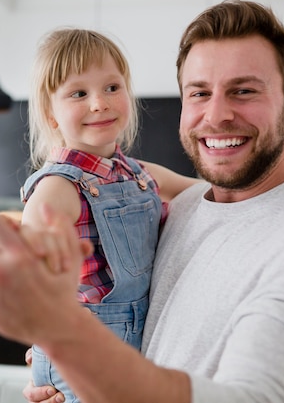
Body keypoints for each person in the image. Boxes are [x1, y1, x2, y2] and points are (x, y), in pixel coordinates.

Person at [0, 0, 284, 403]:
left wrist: (65, 338)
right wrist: (74, 369)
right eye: (199, 93)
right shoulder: (189, 204)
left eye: (243, 91)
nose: (217, 115)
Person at [19, 27, 198, 403]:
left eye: (112, 87)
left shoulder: (138, 173)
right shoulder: (57, 188)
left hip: (132, 348)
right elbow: (25, 283)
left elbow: (204, 193)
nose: (99, 102)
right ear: (51, 116)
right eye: (79, 93)